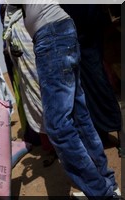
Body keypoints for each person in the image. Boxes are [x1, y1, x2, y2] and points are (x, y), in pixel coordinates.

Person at [13, 3, 120, 199]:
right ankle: (107, 182)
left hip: (51, 36)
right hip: (60, 30)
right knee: (79, 117)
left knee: (58, 125)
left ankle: (102, 193)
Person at [1, 4, 57, 167]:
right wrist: (10, 49)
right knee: (37, 107)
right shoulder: (9, 25)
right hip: (26, 73)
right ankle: (51, 148)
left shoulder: (32, 12)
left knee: (53, 102)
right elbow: (7, 47)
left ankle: (64, 146)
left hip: (41, 62)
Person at [60, 4, 122, 146]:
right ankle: (102, 132)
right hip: (71, 31)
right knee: (85, 86)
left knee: (98, 79)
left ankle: (118, 129)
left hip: (86, 26)